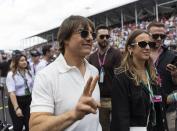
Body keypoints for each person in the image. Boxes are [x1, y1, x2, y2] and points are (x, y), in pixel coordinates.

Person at [29, 15, 102, 131]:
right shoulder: (46, 76)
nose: (90, 38)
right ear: (65, 39)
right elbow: (36, 127)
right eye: (83, 33)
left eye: (92, 35)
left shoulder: (94, 70)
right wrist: (73, 114)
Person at [111, 29, 168, 131]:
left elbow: (162, 99)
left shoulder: (153, 73)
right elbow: (120, 118)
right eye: (142, 44)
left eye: (150, 44)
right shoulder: (121, 78)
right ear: (130, 48)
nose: (147, 47)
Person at [88, 25, 122, 131]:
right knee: (104, 128)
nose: (105, 39)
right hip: (100, 99)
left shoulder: (116, 54)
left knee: (118, 127)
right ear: (96, 37)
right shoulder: (92, 57)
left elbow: (120, 77)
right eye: (102, 36)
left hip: (115, 98)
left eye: (107, 36)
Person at [147, 21, 177, 131]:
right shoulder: (141, 55)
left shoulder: (172, 56)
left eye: (162, 36)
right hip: (145, 109)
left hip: (168, 109)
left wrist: (175, 77)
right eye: (155, 36)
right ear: (147, 35)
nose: (159, 38)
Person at [6, 52, 33, 131]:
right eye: (21, 60)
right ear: (16, 62)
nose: (24, 62)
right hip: (17, 101)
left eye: (25, 60)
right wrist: (17, 108)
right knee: (18, 126)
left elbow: (32, 87)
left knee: (29, 125)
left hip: (28, 100)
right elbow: (12, 92)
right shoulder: (11, 75)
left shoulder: (29, 72)